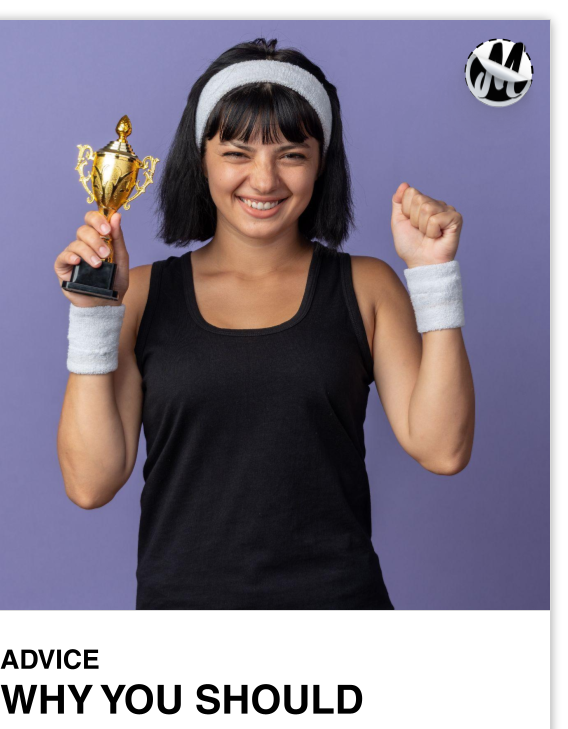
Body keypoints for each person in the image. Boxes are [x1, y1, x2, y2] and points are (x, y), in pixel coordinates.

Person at [54, 38, 475, 610]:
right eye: (236, 152)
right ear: (200, 158)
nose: (264, 178)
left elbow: (443, 449)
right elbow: (90, 484)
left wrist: (434, 278)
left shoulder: (368, 287)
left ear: (321, 163)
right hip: (184, 636)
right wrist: (93, 318)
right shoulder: (143, 295)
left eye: (292, 154)